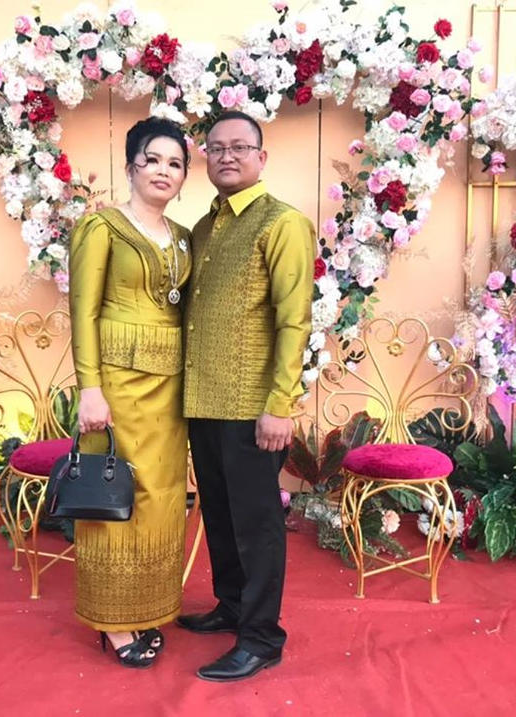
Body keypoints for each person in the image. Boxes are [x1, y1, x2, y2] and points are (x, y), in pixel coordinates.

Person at [179, 110, 315, 681]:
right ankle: (232, 606)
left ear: (262, 157)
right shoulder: (203, 228)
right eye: (216, 148)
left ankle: (261, 637)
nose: (227, 156)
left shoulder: (282, 223)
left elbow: (294, 320)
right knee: (217, 512)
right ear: (206, 158)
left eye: (239, 147)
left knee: (256, 524)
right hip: (203, 401)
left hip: (254, 409)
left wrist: (280, 405)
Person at [69, 117, 192, 668]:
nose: (163, 171)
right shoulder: (102, 228)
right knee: (118, 490)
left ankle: (147, 605)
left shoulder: (184, 238)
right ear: (131, 166)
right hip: (117, 387)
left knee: (161, 496)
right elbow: (83, 311)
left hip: (171, 391)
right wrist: (89, 388)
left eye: (175, 163)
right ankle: (113, 621)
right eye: (153, 159)